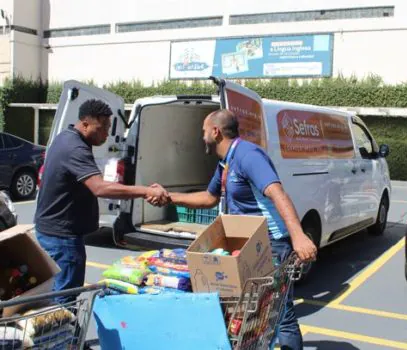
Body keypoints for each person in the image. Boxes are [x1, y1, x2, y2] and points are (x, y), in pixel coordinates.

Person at [160, 109, 317, 350]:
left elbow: (277, 193)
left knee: (279, 316)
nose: (202, 137)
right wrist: (169, 197)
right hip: (248, 247)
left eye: (203, 131)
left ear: (215, 132)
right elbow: (209, 198)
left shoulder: (248, 155)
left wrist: (298, 236)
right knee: (250, 316)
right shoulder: (226, 162)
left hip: (271, 245)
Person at [34, 99, 169, 303]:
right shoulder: (75, 148)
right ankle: (62, 334)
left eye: (108, 127)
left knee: (59, 293)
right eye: (103, 127)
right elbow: (100, 188)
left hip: (53, 232)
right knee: (64, 298)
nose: (107, 133)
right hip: (62, 237)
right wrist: (145, 191)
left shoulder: (65, 138)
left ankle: (59, 332)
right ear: (85, 123)